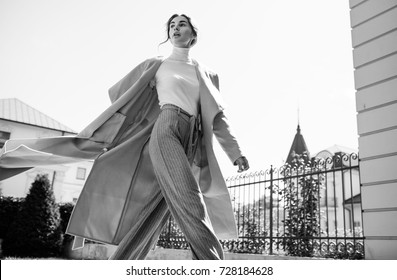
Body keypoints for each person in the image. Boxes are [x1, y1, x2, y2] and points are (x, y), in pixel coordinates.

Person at [0, 13, 249, 260]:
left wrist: (236, 153)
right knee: (192, 201)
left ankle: (122, 265)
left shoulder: (208, 74)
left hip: (192, 141)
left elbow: (218, 119)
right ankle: (213, 265)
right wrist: (147, 98)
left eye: (182, 24)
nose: (175, 28)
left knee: (157, 210)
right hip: (166, 130)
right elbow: (122, 95)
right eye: (171, 25)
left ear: (193, 34)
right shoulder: (156, 65)